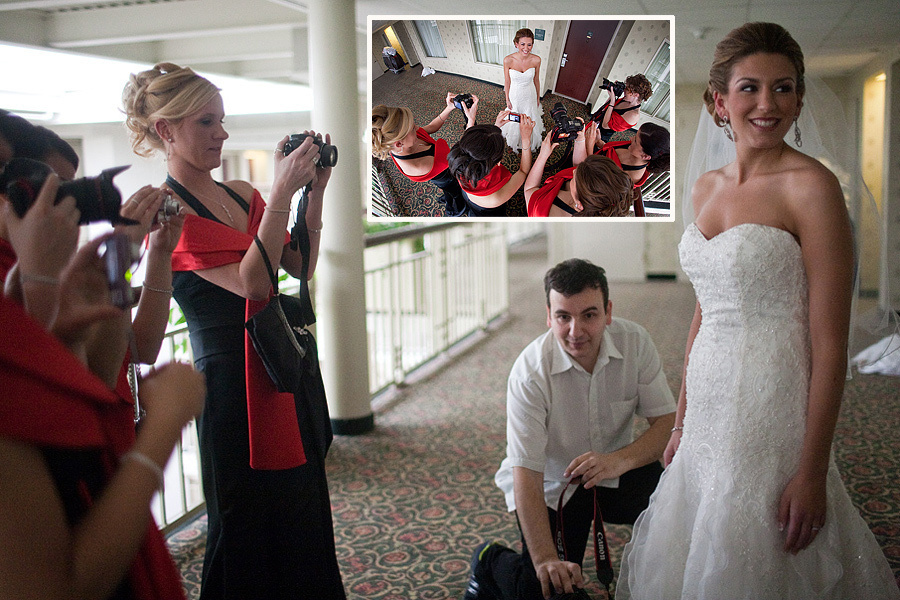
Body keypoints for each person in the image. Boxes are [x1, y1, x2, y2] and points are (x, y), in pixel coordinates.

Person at [617, 22, 900, 600]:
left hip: (772, 400)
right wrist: (682, 419)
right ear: (719, 101)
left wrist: (813, 469)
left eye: (784, 88)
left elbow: (831, 342)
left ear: (799, 98)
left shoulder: (811, 187)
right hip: (708, 397)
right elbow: (704, 308)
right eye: (750, 88)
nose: (767, 104)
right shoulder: (703, 188)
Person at [122, 62, 346, 599]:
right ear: (166, 131)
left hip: (279, 362)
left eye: (222, 121)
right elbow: (251, 281)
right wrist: (279, 191)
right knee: (245, 520)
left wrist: (311, 192)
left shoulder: (243, 194)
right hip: (229, 387)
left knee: (302, 505)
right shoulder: (168, 216)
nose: (222, 134)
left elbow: (297, 267)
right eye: (206, 122)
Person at [0, 172, 206, 600]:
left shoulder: (39, 277)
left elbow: (131, 352)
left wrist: (146, 254)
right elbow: (57, 586)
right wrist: (164, 427)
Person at [463, 259, 676, 600]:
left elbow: (667, 424)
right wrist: (546, 559)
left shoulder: (635, 342)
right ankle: (491, 561)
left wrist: (617, 461)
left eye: (589, 315)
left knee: (679, 509)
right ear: (549, 316)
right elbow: (526, 473)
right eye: (563, 317)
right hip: (553, 485)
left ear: (608, 312)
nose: (575, 331)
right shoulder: (529, 373)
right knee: (547, 589)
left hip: (615, 471)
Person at [371, 92, 478, 216]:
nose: (417, 128)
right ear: (399, 144)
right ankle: (457, 209)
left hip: (444, 167)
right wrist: (470, 122)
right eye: (412, 128)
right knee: (455, 190)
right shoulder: (417, 166)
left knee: (450, 191)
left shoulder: (403, 140)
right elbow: (460, 158)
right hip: (447, 175)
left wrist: (449, 108)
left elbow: (431, 127)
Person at [525, 131, 633, 217]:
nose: (573, 171)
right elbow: (579, 167)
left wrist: (543, 155)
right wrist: (580, 140)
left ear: (579, 205)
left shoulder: (543, 214)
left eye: (575, 178)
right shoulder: (588, 195)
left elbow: (530, 189)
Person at [448, 112, 533, 216]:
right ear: (498, 162)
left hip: (467, 197)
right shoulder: (496, 198)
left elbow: (472, 145)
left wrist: (495, 129)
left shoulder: (460, 162)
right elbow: (523, 171)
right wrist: (526, 138)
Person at [585, 121, 670, 189]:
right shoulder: (633, 148)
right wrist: (599, 141)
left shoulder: (630, 177)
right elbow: (610, 150)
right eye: (635, 136)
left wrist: (589, 146)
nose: (631, 138)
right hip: (591, 158)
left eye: (636, 140)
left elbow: (592, 179)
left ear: (645, 156)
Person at [500, 28, 544, 151]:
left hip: (530, 93)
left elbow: (536, 80)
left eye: (529, 44)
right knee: (515, 115)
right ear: (516, 44)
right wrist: (507, 98)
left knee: (530, 115)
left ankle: (528, 138)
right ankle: (516, 138)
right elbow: (507, 81)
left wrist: (537, 97)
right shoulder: (508, 60)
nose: (526, 48)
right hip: (515, 94)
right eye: (522, 44)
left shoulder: (536, 60)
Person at [592, 74, 653, 143]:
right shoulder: (626, 100)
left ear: (636, 95)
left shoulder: (633, 115)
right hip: (595, 125)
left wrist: (612, 101)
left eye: (627, 89)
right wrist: (612, 96)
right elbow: (605, 108)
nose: (624, 90)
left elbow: (605, 125)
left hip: (600, 138)